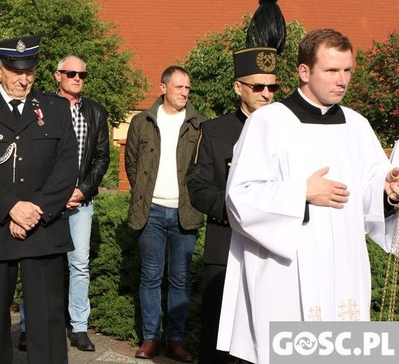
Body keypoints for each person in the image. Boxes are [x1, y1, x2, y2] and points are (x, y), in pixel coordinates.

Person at [218, 29, 399, 364]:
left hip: (344, 268)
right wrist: (300, 192)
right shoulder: (268, 123)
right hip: (286, 271)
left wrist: (387, 194)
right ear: (305, 72)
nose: (342, 80)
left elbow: (367, 194)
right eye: (332, 71)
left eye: (347, 71)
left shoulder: (358, 126)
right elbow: (240, 198)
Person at [0, 35, 78, 364]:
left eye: (30, 71)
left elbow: (67, 167)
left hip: (44, 226)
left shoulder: (54, 109)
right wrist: (11, 208)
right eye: (14, 70)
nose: (23, 78)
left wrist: (34, 212)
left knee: (47, 317)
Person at [186, 46, 278, 363]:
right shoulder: (214, 131)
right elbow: (197, 187)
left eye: (273, 87)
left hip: (273, 253)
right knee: (218, 341)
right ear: (239, 87)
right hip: (226, 248)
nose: (266, 94)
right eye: (258, 86)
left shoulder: (290, 132)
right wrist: (238, 212)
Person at [18, 56, 110, 353]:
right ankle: (28, 326)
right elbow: (32, 155)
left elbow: (101, 158)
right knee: (37, 263)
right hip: (45, 203)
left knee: (79, 265)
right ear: (58, 76)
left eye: (82, 74)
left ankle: (79, 327)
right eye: (71, 73)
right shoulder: (39, 106)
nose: (77, 78)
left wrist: (82, 190)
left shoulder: (95, 112)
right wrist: (48, 195)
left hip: (79, 203)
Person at [125, 66, 204, 362]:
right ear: (163, 88)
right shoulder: (142, 122)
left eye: (187, 88)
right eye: (179, 87)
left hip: (185, 211)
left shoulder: (198, 124)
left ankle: (176, 340)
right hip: (152, 212)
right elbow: (132, 164)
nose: (185, 93)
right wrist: (147, 194)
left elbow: (202, 168)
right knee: (150, 276)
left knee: (181, 278)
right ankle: (150, 338)